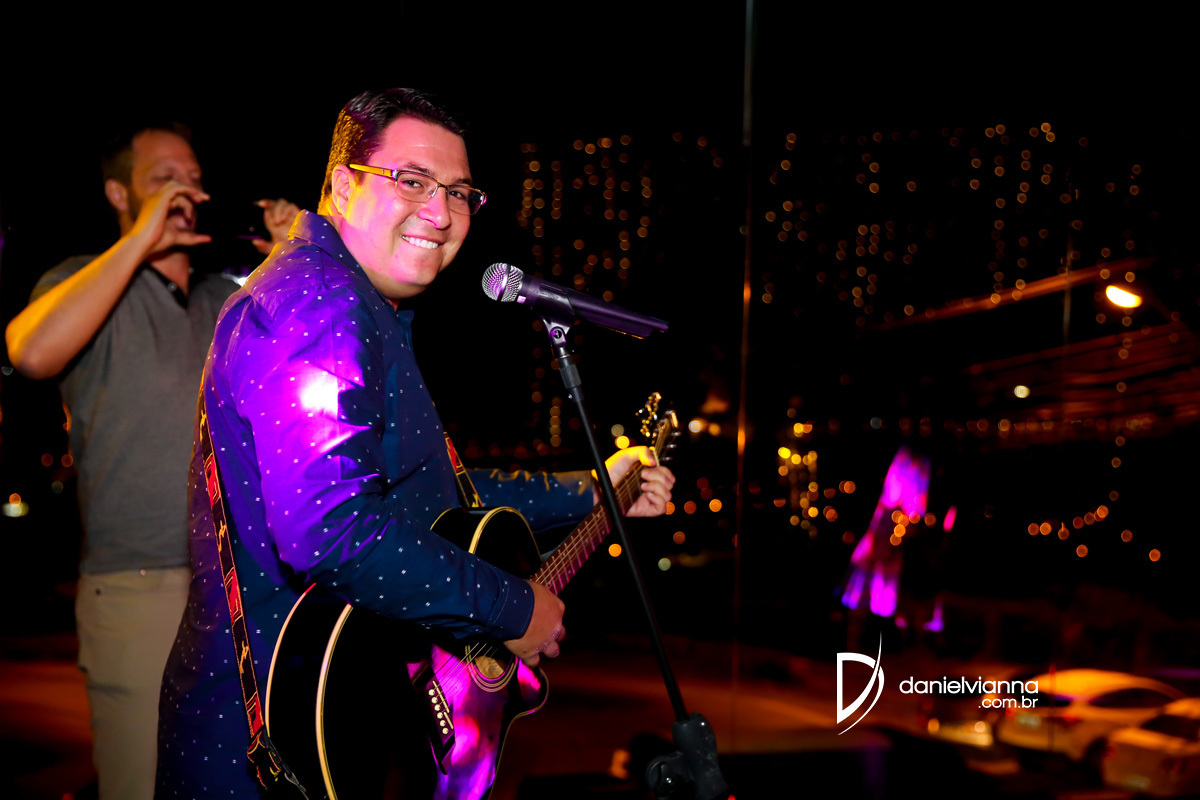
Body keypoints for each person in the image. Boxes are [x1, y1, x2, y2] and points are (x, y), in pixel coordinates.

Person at [155, 88, 675, 798]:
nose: (441, 212)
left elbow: (430, 499)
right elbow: (330, 529)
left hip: (330, 721)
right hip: (281, 746)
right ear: (343, 185)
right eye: (412, 181)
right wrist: (511, 608)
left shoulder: (356, 302)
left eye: (459, 192)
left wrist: (594, 491)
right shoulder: (321, 302)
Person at [4, 123, 299, 800]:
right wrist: (142, 238)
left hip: (241, 587)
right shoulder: (81, 283)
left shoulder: (225, 299)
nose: (185, 190)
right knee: (142, 784)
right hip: (136, 585)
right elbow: (30, 352)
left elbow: (306, 377)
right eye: (164, 177)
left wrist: (292, 263)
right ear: (119, 194)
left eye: (192, 177)